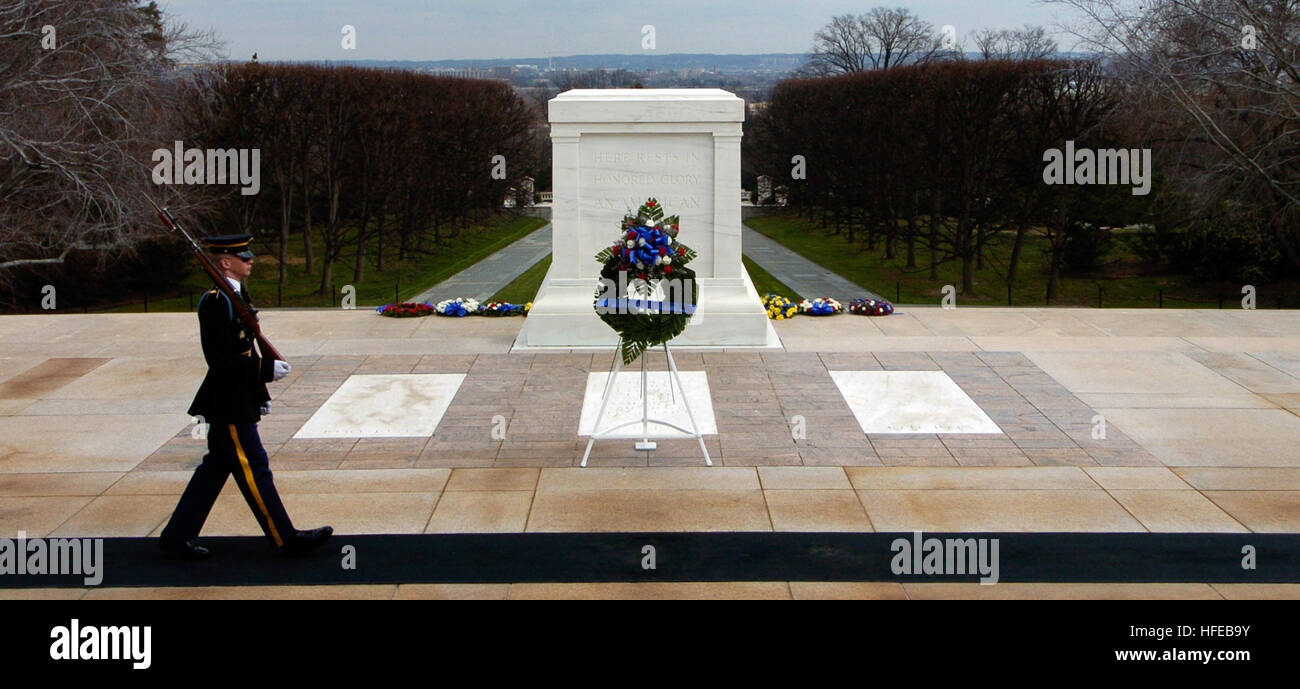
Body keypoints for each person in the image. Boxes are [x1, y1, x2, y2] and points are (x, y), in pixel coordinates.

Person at [159, 234, 332, 559]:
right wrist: (264, 371)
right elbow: (221, 361)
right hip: (229, 404)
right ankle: (285, 539)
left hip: (238, 398)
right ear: (226, 262)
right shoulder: (215, 301)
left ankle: (175, 538)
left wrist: (259, 391)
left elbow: (244, 348)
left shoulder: (233, 295)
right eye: (244, 257)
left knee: (215, 469)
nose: (250, 261)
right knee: (255, 467)